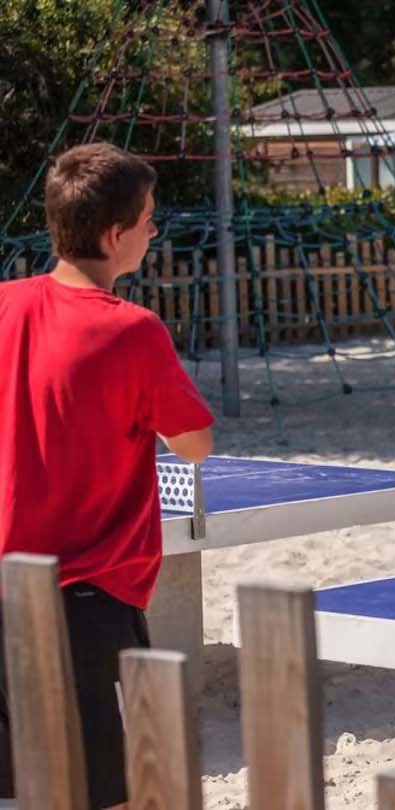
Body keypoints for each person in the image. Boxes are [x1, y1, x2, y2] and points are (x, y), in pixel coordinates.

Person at [0, 142, 215, 808]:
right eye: (149, 219)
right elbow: (195, 445)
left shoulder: (2, 304)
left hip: (4, 590)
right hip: (86, 602)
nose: (154, 230)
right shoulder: (132, 331)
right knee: (117, 793)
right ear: (115, 235)